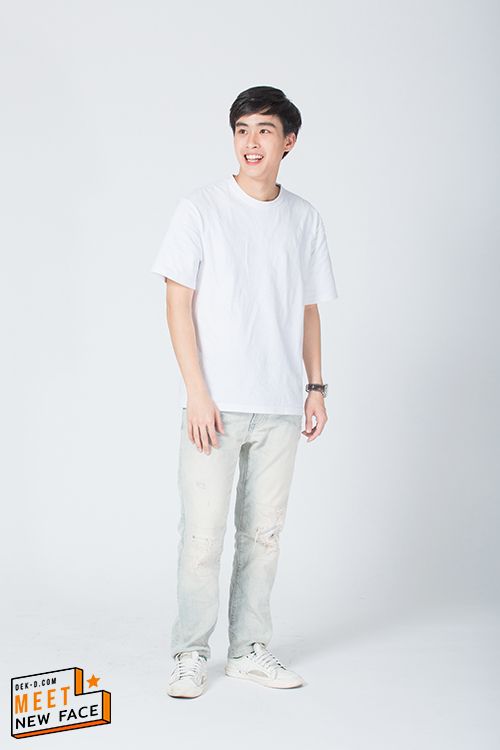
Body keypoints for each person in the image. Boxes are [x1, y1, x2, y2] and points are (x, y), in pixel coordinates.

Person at [151, 85, 338, 698]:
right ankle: (190, 653)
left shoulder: (304, 217)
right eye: (242, 130)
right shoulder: (201, 208)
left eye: (264, 130)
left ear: (289, 142)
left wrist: (315, 387)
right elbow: (177, 302)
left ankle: (249, 649)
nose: (251, 142)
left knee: (263, 537)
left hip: (280, 405)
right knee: (202, 537)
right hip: (216, 405)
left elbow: (308, 309)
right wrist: (197, 392)